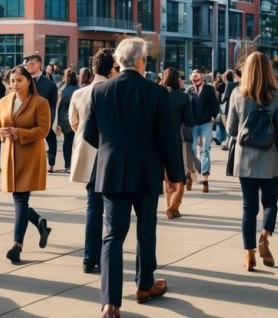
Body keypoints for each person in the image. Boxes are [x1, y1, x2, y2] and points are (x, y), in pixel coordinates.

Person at [83, 38, 184, 317]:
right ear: (141, 61)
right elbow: (167, 138)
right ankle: (144, 284)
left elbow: (90, 134)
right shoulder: (156, 92)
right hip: (146, 170)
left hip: (112, 170)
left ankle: (110, 302)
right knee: (146, 230)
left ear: (119, 61)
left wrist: (111, 144)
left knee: (113, 236)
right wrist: (175, 174)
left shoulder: (100, 91)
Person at [227, 52, 278, 272]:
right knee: (270, 203)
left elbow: (230, 129)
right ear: (269, 70)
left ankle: (249, 255)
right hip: (271, 158)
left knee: (248, 208)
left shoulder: (237, 94)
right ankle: (264, 237)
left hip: (245, 157)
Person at [0, 65, 52, 264]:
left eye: (19, 80)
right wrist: (2, 133)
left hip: (29, 156)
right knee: (19, 199)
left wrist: (20, 133)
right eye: (12, 81)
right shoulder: (4, 101)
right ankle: (38, 222)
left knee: (20, 198)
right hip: (10, 156)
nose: (15, 85)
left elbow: (43, 130)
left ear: (29, 81)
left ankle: (17, 245)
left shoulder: (40, 102)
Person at [69, 51, 117, 274]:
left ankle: (89, 257)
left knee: (92, 206)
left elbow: (73, 123)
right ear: (111, 69)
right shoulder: (113, 91)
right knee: (111, 207)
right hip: (110, 151)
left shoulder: (79, 93)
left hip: (87, 151)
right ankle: (106, 255)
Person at [161, 67, 194, 220]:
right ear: (177, 80)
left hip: (158, 139)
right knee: (179, 176)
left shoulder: (158, 94)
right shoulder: (182, 97)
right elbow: (189, 121)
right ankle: (173, 207)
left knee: (167, 177)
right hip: (175, 139)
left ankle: (171, 207)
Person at [22, 55, 58, 172]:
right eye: (27, 64)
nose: (29, 66)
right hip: (26, 118)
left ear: (40, 64)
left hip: (43, 118)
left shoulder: (50, 85)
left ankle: (51, 162)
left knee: (50, 138)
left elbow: (52, 105)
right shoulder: (22, 82)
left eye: (32, 63)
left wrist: (50, 121)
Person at [185, 68, 219, 193]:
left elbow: (215, 105)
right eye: (193, 76)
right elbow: (186, 109)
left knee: (205, 150)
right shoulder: (189, 91)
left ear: (202, 77)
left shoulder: (209, 89)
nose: (195, 77)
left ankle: (205, 179)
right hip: (193, 125)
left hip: (206, 123)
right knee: (192, 151)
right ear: (190, 78)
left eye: (197, 75)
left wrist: (213, 117)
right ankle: (191, 175)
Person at [54, 69, 78, 173]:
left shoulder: (63, 90)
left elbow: (58, 105)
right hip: (78, 117)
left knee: (67, 142)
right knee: (76, 143)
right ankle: (75, 164)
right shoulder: (79, 89)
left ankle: (67, 165)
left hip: (65, 118)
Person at [217, 70, 238, 150]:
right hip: (236, 106)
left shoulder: (229, 84)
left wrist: (219, 100)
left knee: (229, 125)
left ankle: (229, 143)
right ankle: (229, 142)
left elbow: (225, 97)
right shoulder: (237, 83)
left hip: (228, 107)